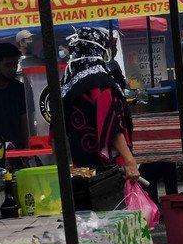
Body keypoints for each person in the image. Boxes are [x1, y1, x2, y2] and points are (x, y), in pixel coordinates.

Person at [60, 28, 140, 178]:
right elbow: (111, 125)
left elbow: (55, 130)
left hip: (79, 165)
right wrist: (129, 161)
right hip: (105, 168)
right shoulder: (100, 84)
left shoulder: (68, 83)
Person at [0, 42, 30, 150]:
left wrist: (27, 149)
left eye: (15, 64)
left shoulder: (20, 88)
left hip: (19, 151)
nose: (13, 69)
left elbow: (25, 121)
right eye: (8, 65)